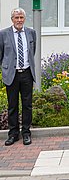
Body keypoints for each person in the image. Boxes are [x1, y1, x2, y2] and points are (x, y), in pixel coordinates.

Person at [0, 8, 37, 146]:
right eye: (17, 18)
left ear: (24, 19)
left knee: (27, 105)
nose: (19, 20)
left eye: (21, 17)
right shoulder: (3, 34)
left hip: (26, 73)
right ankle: (13, 134)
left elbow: (32, 52)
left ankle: (26, 133)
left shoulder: (31, 33)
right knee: (12, 106)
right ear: (12, 19)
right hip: (12, 74)